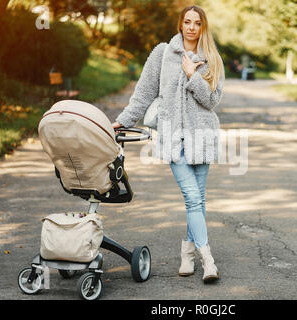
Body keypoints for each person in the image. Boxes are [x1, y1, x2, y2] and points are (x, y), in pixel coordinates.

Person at [112, 5, 224, 283]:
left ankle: (187, 253)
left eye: (197, 23)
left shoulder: (211, 58)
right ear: (180, 24)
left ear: (203, 27)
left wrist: (191, 75)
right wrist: (123, 120)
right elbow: (144, 93)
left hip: (201, 137)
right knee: (192, 197)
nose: (191, 27)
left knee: (198, 199)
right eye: (187, 21)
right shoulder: (162, 53)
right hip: (174, 138)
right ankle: (208, 259)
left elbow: (212, 101)